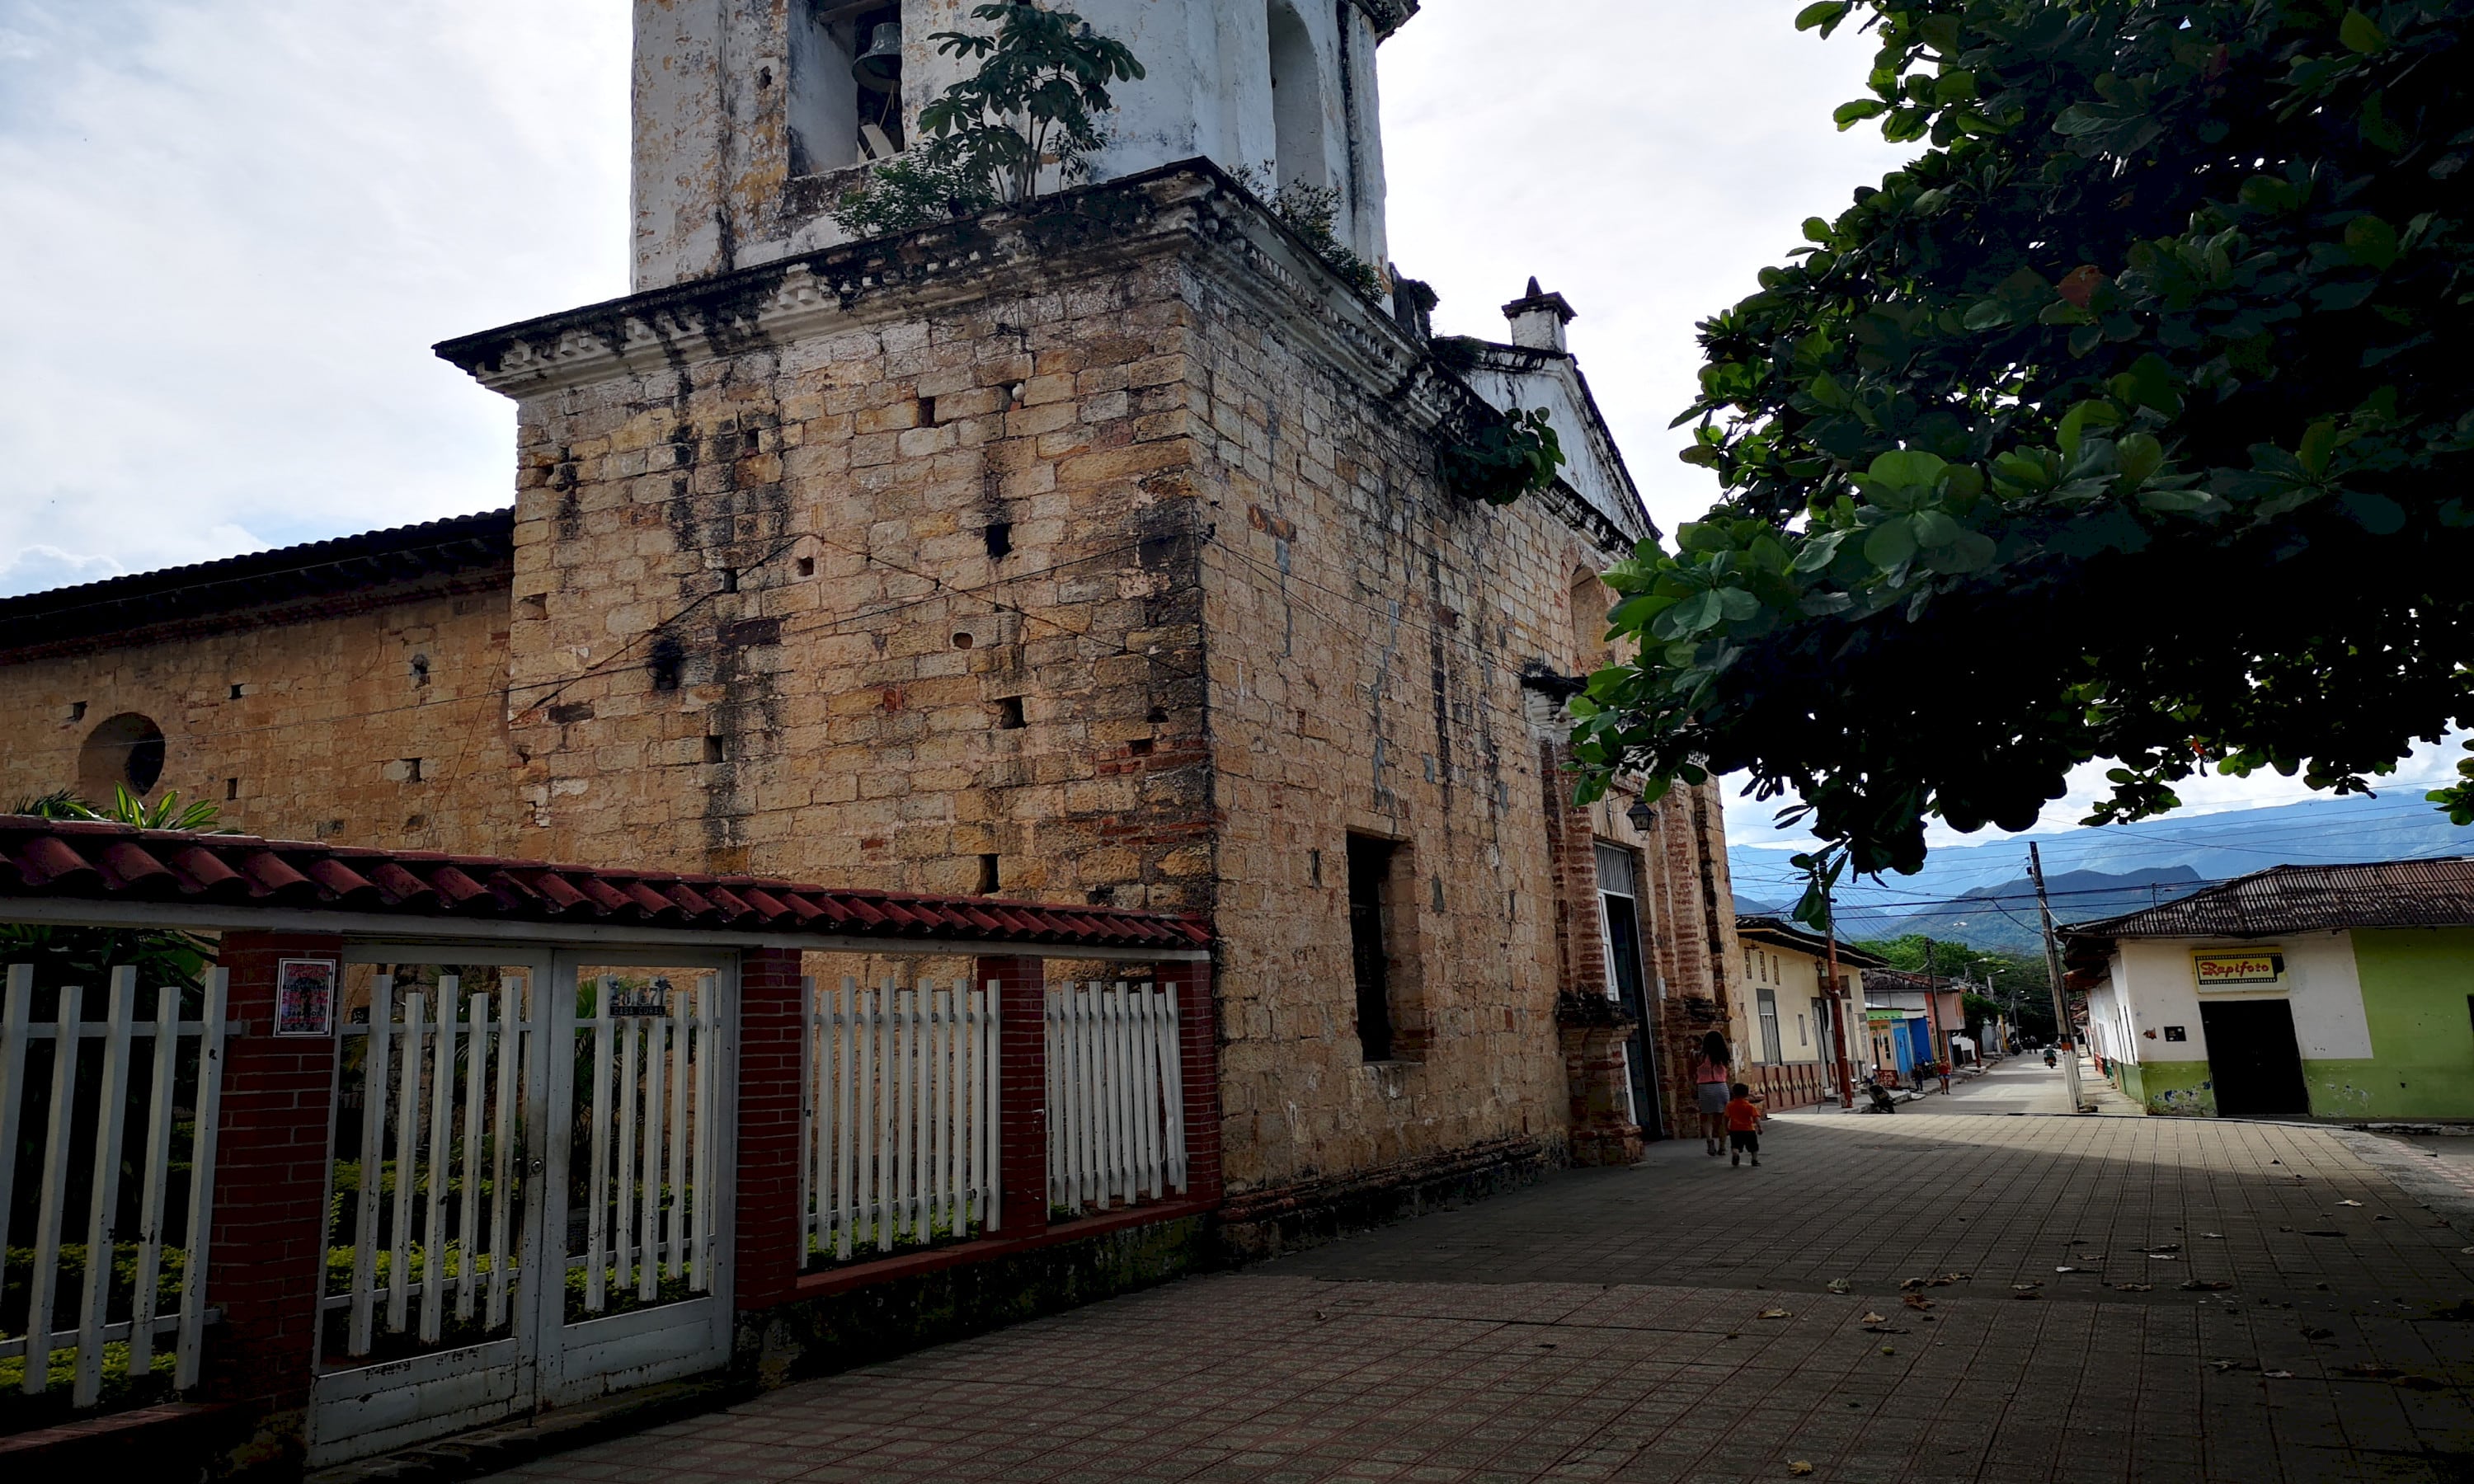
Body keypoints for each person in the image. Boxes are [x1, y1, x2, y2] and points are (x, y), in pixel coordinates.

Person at [1691, 1031, 1732, 1156]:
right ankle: (1722, 1146)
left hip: (1705, 1087)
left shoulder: (1698, 1055)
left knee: (1707, 1117)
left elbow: (1692, 1072)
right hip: (1721, 1087)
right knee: (1722, 1119)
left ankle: (1710, 1141)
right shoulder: (1724, 1055)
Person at [1724, 1082, 1766, 1167]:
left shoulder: (1729, 1105)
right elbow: (1756, 1117)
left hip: (1735, 1130)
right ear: (1746, 1094)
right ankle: (1754, 1160)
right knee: (1753, 1147)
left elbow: (1726, 1117)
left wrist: (1726, 1127)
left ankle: (1736, 1154)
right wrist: (1759, 1127)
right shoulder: (1750, 1106)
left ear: (1734, 1093)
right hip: (1749, 1129)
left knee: (1735, 1145)